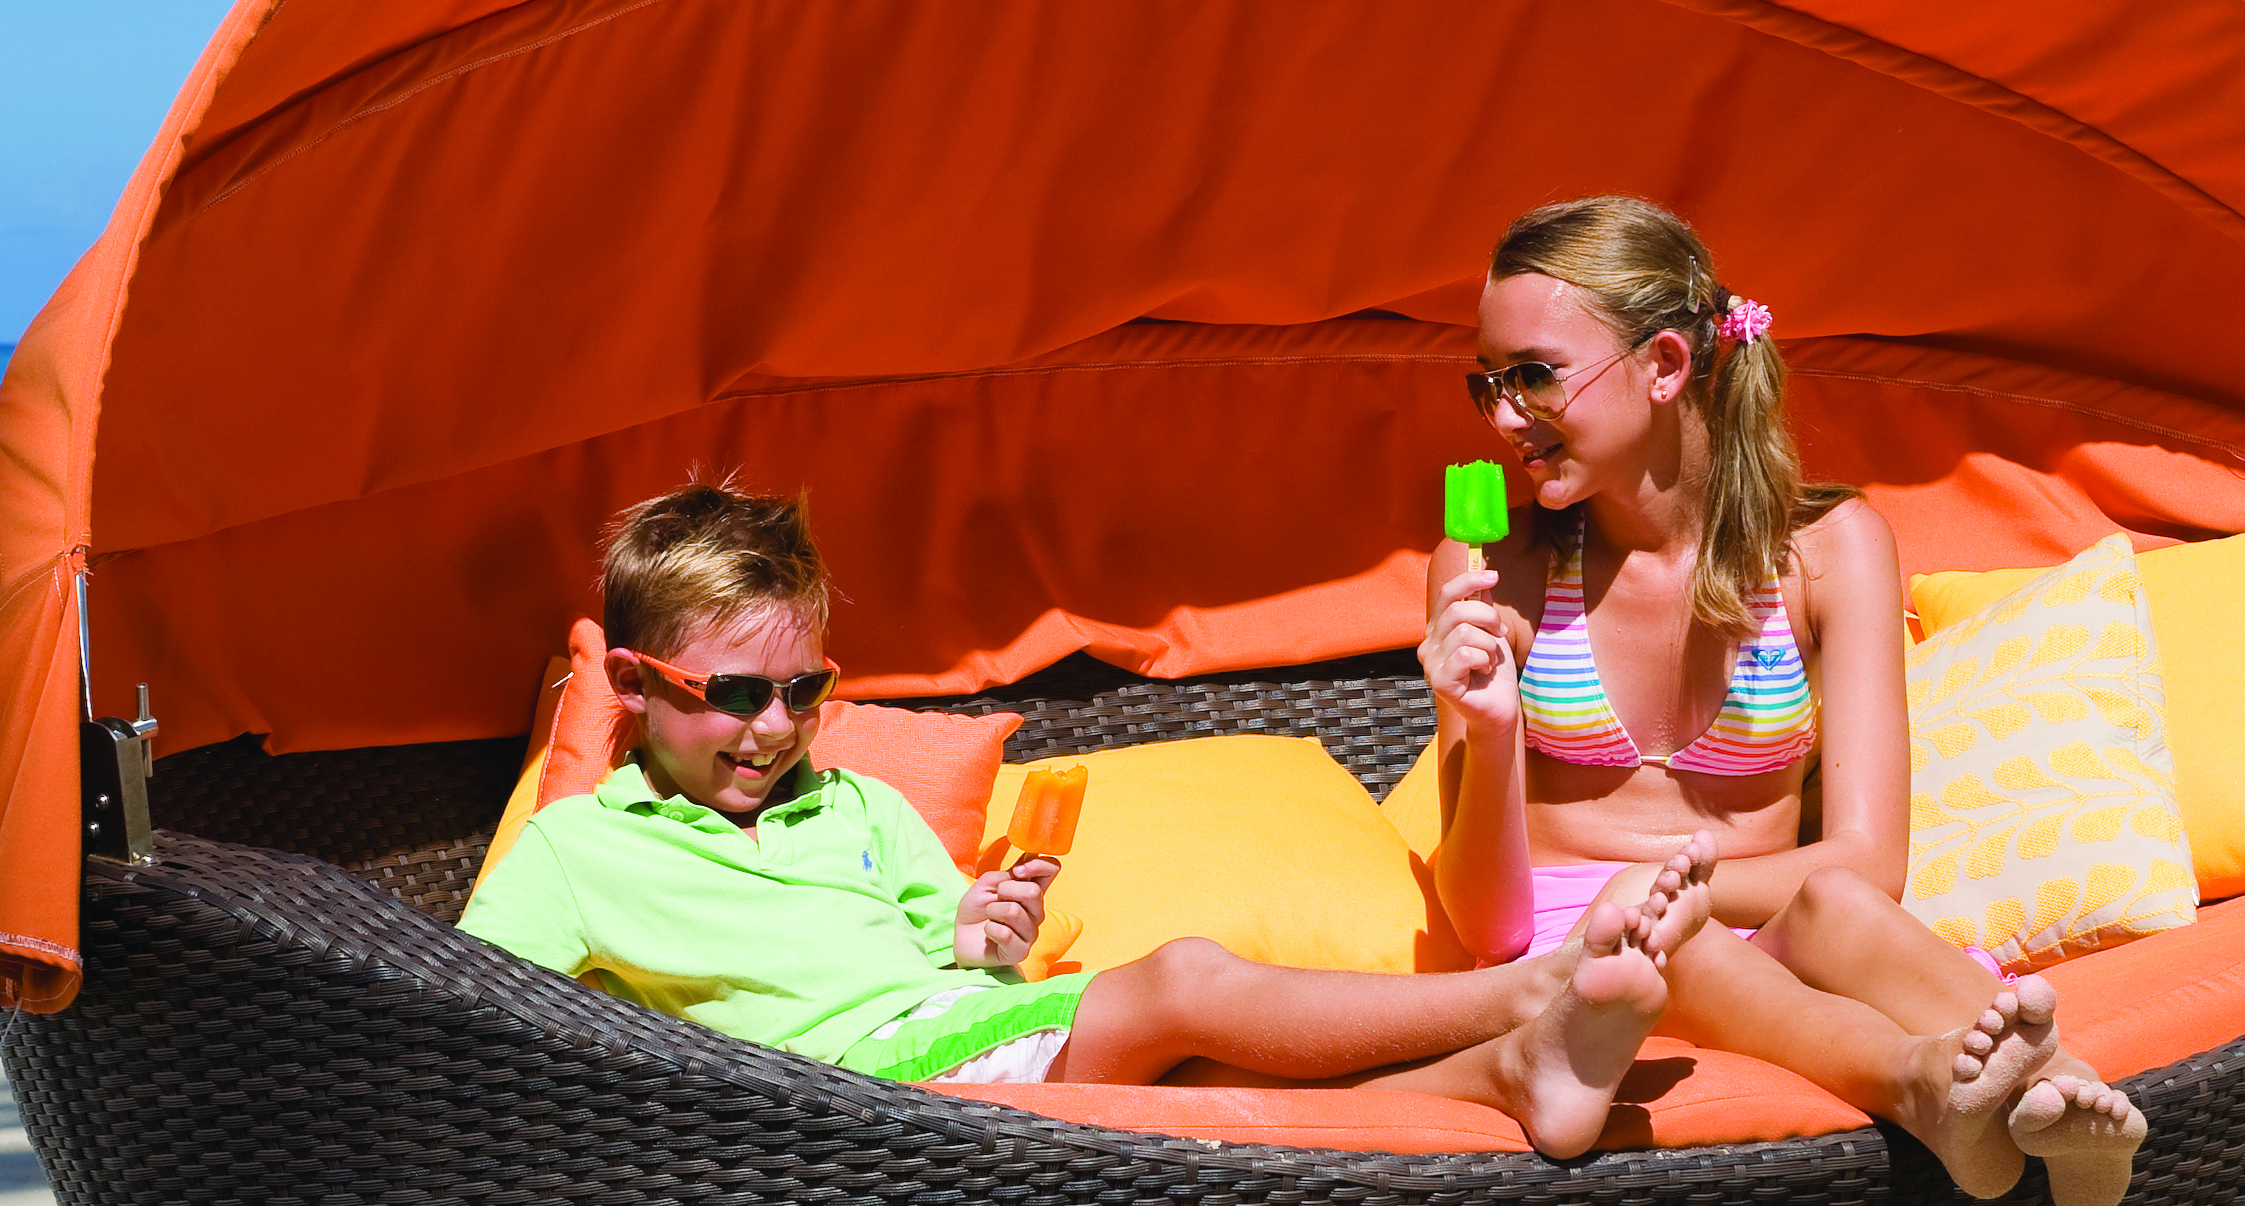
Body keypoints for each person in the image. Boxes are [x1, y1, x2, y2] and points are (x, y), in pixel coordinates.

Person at [460, 483, 1703, 1160]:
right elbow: (448, 1019)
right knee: (1181, 980)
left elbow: (942, 959)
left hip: (963, 1041)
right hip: (853, 1108)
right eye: (733, 694)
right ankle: (1525, 997)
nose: (774, 726)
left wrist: (984, 928)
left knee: (1210, 1078)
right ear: (630, 687)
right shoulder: (579, 850)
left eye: (805, 689)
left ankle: (1507, 1073)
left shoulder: (860, 806)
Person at [1423, 196, 2149, 1206]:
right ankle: (1923, 1085)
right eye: (1486, 382)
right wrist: (1492, 728)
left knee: (1839, 908)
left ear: (1665, 365)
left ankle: (2064, 1097)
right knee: (1667, 940)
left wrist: (1684, 890)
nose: (1501, 418)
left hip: (1754, 923)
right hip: (1576, 962)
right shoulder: (1488, 568)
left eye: (1532, 376)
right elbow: (1482, 925)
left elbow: (1865, 861)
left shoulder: (1827, 549)